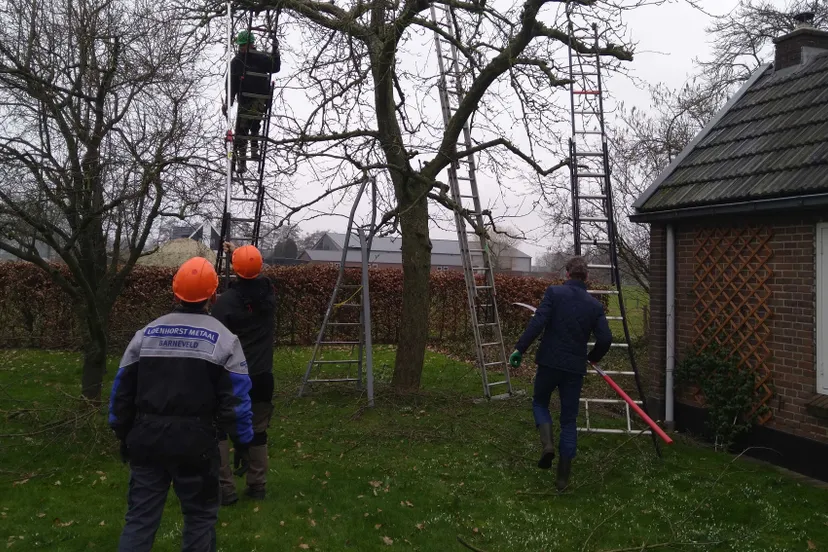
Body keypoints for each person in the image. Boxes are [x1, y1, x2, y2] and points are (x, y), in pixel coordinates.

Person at [108, 256, 254, 551]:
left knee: (139, 520)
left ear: (175, 293)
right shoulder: (226, 341)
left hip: (146, 438)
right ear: (213, 295)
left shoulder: (145, 335)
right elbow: (236, 402)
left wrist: (123, 432)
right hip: (196, 444)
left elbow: (121, 392)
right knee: (200, 519)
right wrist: (243, 443)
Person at [508, 255, 612, 491]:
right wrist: (593, 357)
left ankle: (547, 445)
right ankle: (563, 478)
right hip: (574, 369)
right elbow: (605, 338)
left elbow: (537, 323)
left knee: (540, 403)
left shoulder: (554, 293)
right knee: (568, 421)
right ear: (587, 277)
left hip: (549, 363)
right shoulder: (594, 306)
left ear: (567, 274)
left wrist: (519, 349)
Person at [211, 242, 277, 505]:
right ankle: (257, 484)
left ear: (234, 271)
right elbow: (255, 281)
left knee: (218, 429)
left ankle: (224, 489)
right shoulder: (269, 296)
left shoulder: (225, 303)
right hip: (262, 376)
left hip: (231, 377)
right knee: (258, 430)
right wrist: (235, 255)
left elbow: (215, 337)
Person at [223, 30, 281, 174]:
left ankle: (254, 151)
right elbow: (231, 83)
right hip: (245, 99)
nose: (242, 48)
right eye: (240, 45)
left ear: (251, 44)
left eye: (244, 45)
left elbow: (275, 67)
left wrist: (276, 52)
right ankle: (242, 160)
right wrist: (228, 101)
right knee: (242, 129)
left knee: (254, 124)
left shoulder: (261, 58)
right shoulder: (237, 61)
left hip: (260, 98)